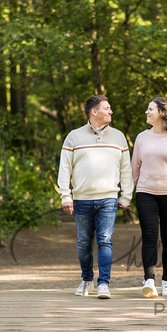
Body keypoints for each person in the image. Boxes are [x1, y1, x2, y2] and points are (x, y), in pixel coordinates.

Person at [57, 95, 133, 299]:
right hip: (81, 199)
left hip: (108, 198)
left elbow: (126, 169)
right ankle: (86, 279)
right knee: (83, 241)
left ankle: (103, 284)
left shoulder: (118, 137)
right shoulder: (73, 136)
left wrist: (126, 195)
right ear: (94, 111)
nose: (111, 111)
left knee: (105, 240)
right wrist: (65, 195)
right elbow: (64, 167)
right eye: (107, 108)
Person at [131, 97, 167, 298]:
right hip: (145, 192)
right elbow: (135, 168)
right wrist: (125, 195)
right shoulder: (141, 138)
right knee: (149, 236)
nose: (146, 112)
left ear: (162, 113)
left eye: (150, 109)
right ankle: (149, 281)